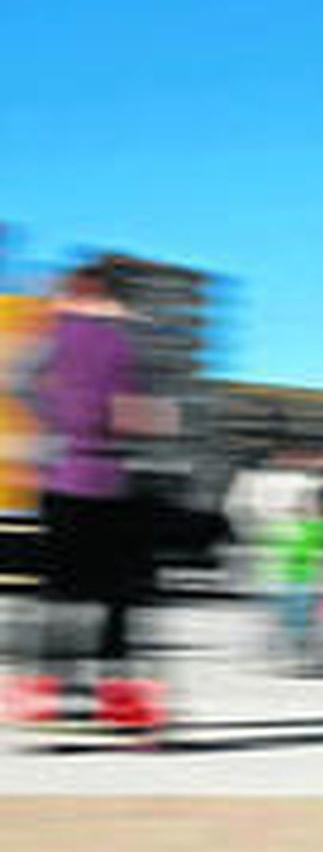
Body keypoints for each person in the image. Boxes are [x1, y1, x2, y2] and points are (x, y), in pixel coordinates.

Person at [4, 258, 171, 731]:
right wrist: (133, 440)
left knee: (61, 593)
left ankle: (46, 698)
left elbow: (13, 381)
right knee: (120, 597)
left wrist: (55, 422)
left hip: (63, 478)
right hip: (121, 481)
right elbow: (157, 411)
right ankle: (123, 704)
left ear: (79, 289)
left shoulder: (52, 331)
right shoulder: (137, 337)